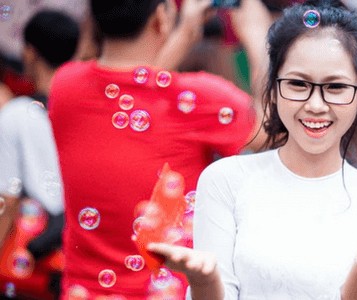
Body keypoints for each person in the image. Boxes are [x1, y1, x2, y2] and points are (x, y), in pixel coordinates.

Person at [147, 1, 357, 299]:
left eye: (336, 88)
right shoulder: (225, 180)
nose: (316, 105)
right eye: (297, 84)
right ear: (274, 88)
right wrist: (203, 282)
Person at [48, 0, 254, 298]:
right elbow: (271, 127)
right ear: (160, 17)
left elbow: (133, 84)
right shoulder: (201, 97)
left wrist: (182, 32)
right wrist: (255, 32)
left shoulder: (64, 86)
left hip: (82, 292)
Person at [0, 10, 80, 299]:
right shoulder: (85, 111)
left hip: (31, 260)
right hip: (76, 251)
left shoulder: (16, 114)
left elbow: (6, 199)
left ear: (30, 52)